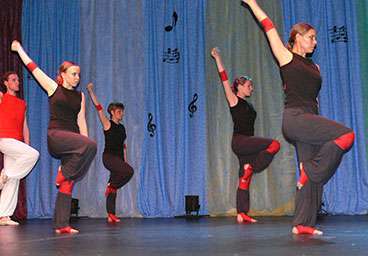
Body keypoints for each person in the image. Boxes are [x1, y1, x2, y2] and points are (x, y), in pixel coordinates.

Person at [242, 0, 354, 235]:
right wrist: (252, 3)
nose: (315, 41)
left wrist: (319, 124)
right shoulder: (286, 57)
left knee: (312, 178)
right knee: (346, 135)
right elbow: (268, 27)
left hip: (309, 121)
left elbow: (315, 99)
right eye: (311, 37)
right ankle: (310, 170)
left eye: (315, 38)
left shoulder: (316, 68)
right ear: (297, 37)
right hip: (294, 119)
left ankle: (303, 224)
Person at [11, 40, 97, 234]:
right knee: (88, 148)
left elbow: (81, 122)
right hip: (56, 136)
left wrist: (83, 147)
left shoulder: (80, 97)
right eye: (74, 74)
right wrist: (19, 50)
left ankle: (61, 224)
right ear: (63, 74)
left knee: (68, 184)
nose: (77, 77)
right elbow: (34, 68)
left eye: (79, 75)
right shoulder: (53, 87)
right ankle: (64, 173)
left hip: (73, 142)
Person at [211, 47, 280, 223]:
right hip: (241, 141)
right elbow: (224, 79)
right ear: (239, 87)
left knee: (244, 179)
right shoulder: (234, 100)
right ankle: (252, 167)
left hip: (247, 143)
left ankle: (242, 213)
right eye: (249, 86)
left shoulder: (248, 105)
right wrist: (218, 58)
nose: (252, 88)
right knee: (274, 145)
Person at [86, 83, 134, 223]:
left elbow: (123, 145)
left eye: (122, 111)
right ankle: (111, 186)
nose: (122, 114)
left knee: (115, 185)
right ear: (112, 112)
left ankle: (111, 214)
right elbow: (98, 108)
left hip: (118, 159)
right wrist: (90, 91)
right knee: (128, 173)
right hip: (108, 157)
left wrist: (124, 161)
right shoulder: (107, 124)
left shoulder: (122, 128)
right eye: (119, 111)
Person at [0, 71, 39, 226]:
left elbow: (24, 126)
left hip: (17, 142)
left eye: (17, 80)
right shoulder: (2, 97)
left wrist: (26, 143)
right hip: (4, 138)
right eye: (13, 80)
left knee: (13, 180)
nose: (17, 82)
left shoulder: (22, 103)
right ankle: (5, 174)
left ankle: (3, 216)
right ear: (5, 83)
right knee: (34, 155)